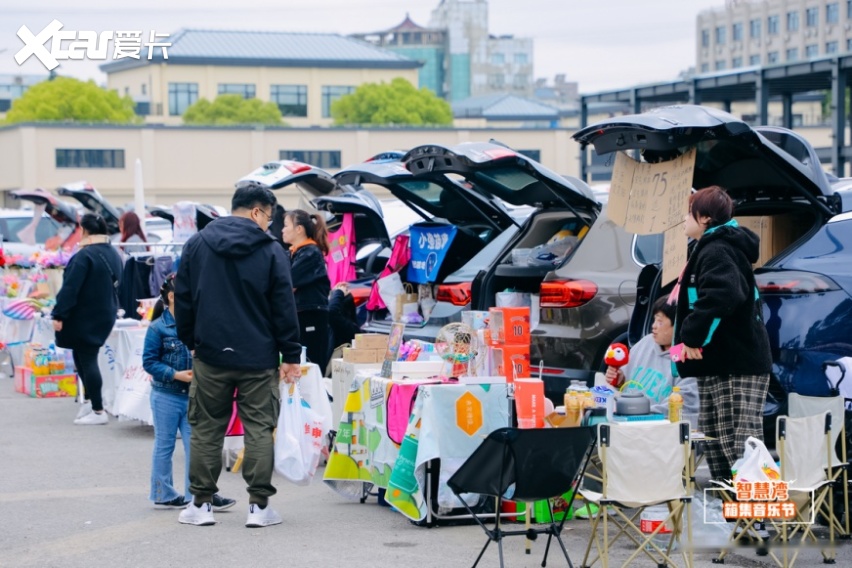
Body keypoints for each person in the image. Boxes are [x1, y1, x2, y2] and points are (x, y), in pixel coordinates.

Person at [174, 181, 302, 528]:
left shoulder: (197, 245)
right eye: (269, 217)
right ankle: (259, 508)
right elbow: (284, 307)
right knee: (259, 429)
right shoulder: (272, 250)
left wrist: (192, 339)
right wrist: (290, 354)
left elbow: (182, 299)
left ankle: (200, 505)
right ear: (257, 211)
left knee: (205, 429)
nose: (269, 225)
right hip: (258, 357)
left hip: (210, 353)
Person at [672, 185, 771, 483]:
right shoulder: (710, 247)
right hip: (718, 362)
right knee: (716, 443)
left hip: (737, 364)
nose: (684, 220)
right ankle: (733, 522)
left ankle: (755, 524)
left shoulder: (717, 249)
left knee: (739, 443)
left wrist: (691, 336)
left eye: (689, 213)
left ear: (704, 218)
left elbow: (723, 296)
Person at [142, 274, 236, 511]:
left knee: (196, 446)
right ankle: (163, 494)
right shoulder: (157, 328)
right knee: (164, 446)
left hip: (195, 394)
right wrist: (175, 374)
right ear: (172, 297)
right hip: (165, 394)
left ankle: (199, 494)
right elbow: (149, 362)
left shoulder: (197, 323)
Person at [52, 213, 123, 426]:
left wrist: (59, 314)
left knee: (87, 358)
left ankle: (98, 410)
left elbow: (70, 288)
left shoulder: (84, 256)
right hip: (105, 312)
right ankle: (91, 401)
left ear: (84, 231)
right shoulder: (113, 252)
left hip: (84, 315)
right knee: (82, 356)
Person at [605, 297, 699, 416]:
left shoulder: (687, 358)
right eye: (654, 320)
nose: (653, 326)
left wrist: (642, 412)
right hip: (626, 417)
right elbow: (624, 381)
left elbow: (683, 405)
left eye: (660, 322)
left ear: (679, 325)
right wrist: (620, 379)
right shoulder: (646, 343)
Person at [282, 209, 332, 373]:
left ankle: (315, 398)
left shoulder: (310, 252)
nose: (282, 230)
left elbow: (289, 283)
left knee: (312, 363)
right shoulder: (294, 252)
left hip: (311, 314)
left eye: (286, 225)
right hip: (300, 313)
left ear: (299, 229)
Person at [326, 281, 362, 373]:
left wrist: (338, 293)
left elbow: (331, 311)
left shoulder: (348, 328)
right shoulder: (335, 325)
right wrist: (337, 293)